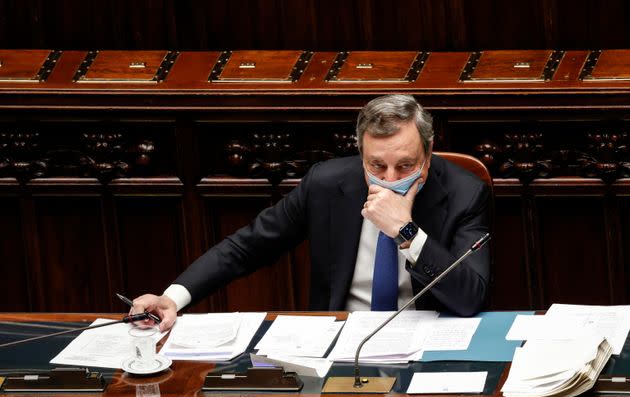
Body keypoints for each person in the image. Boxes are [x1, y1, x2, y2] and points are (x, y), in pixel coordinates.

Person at [131, 94, 491, 331]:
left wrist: (406, 232)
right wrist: (172, 297)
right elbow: (246, 247)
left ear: (428, 157)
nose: (391, 179)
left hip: (425, 340)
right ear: (361, 155)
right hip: (339, 340)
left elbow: (469, 295)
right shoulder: (327, 183)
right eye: (377, 166)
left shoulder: (464, 192)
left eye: (406, 166)